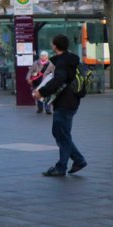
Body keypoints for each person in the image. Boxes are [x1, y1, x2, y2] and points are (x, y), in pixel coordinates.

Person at [35, 35, 86, 177]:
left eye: (52, 44)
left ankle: (62, 167)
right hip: (72, 101)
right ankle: (78, 160)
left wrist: (41, 92)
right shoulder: (71, 59)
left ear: (55, 46)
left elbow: (58, 80)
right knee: (62, 134)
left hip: (65, 102)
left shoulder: (63, 62)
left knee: (61, 134)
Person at [27, 50, 54, 114]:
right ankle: (40, 108)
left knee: (48, 96)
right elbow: (30, 71)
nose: (42, 57)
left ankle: (48, 109)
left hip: (46, 82)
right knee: (38, 95)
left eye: (44, 56)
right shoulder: (35, 63)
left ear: (47, 57)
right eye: (41, 55)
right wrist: (28, 78)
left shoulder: (51, 64)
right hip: (37, 82)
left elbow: (54, 73)